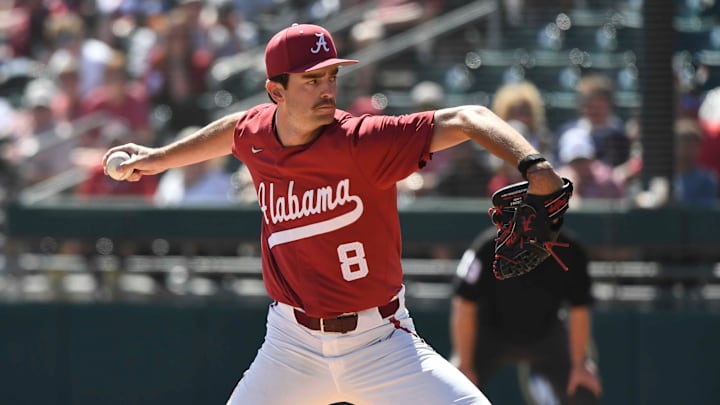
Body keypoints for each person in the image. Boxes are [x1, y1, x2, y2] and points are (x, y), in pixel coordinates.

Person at [103, 23, 566, 405]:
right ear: (275, 92)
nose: (327, 89)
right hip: (291, 347)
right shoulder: (259, 132)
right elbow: (234, 130)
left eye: (331, 77)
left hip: (380, 343)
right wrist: (159, 157)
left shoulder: (364, 141)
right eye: (312, 80)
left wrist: (536, 168)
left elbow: (470, 117)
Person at [450, 227, 602, 405]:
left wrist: (580, 365)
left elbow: (579, 309)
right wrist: (465, 364)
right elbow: (464, 303)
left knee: (582, 388)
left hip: (547, 333)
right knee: (454, 388)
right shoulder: (487, 246)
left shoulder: (571, 251)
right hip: (491, 332)